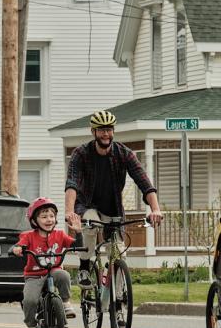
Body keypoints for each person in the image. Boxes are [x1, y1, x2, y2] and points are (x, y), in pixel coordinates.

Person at [64, 110, 163, 290]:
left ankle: (117, 300)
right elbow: (72, 184)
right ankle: (85, 267)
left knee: (118, 255)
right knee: (91, 226)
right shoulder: (81, 153)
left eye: (109, 129)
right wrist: (70, 212)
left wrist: (155, 209)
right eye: (101, 130)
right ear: (93, 132)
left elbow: (144, 183)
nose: (105, 134)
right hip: (87, 205)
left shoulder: (124, 153)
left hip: (113, 210)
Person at [12, 197, 81, 328]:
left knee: (64, 275)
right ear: (34, 221)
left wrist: (78, 232)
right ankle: (31, 327)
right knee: (29, 300)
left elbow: (77, 246)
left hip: (53, 270)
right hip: (34, 276)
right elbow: (18, 246)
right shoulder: (28, 236)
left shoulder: (60, 235)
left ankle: (66, 303)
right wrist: (17, 249)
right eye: (44, 216)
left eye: (51, 216)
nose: (49, 219)